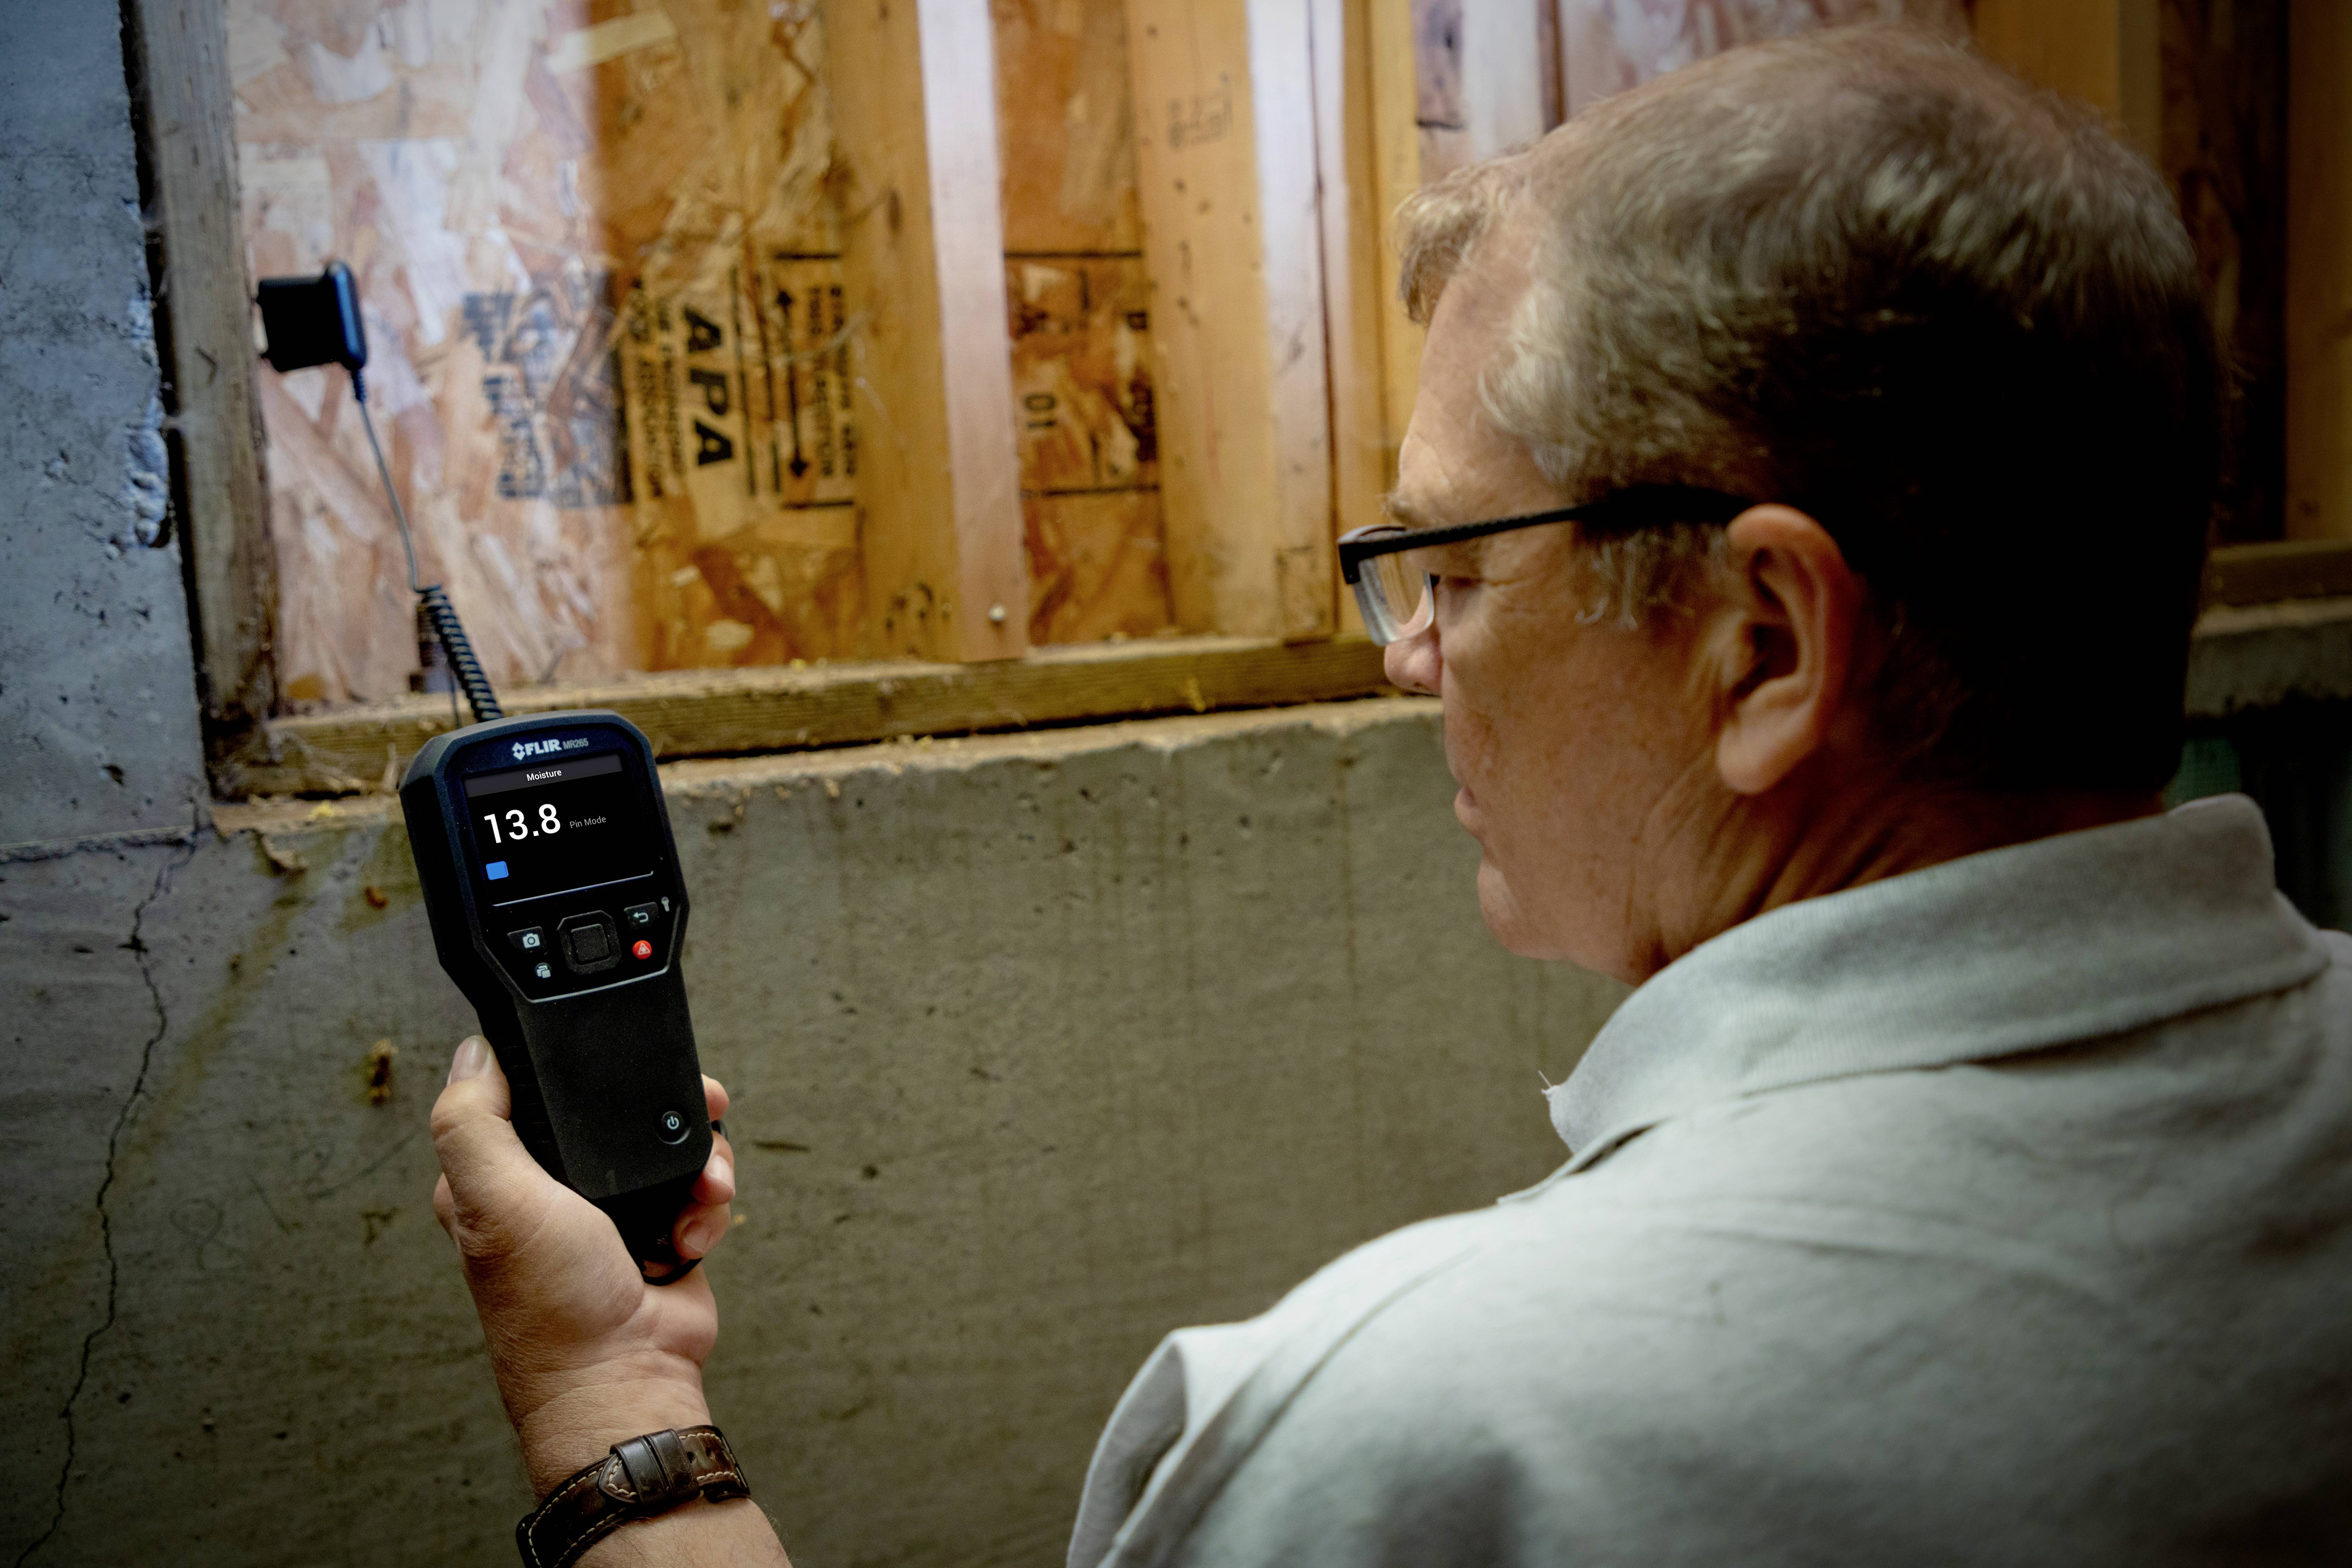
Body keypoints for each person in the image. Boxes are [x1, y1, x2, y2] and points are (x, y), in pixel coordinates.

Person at [430, 25, 2352, 1568]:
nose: (1405, 655)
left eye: (1453, 562)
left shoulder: (1419, 1438)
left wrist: (614, 1413)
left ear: (1765, 646)